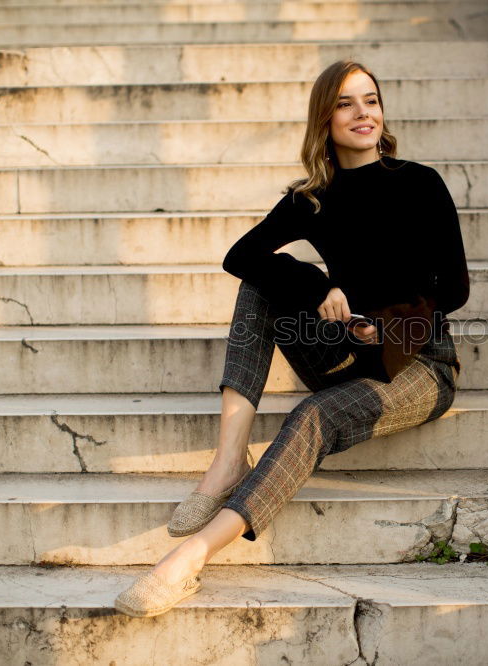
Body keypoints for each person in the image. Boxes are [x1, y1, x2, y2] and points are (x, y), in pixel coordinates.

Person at [114, 59, 470, 617]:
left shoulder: (419, 184)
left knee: (312, 416)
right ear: (324, 118)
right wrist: (319, 283)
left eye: (371, 100)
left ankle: (185, 561)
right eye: (346, 103)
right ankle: (229, 459)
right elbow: (240, 256)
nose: (362, 113)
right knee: (260, 282)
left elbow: (453, 288)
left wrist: (387, 322)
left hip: (419, 363)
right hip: (349, 349)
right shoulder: (313, 199)